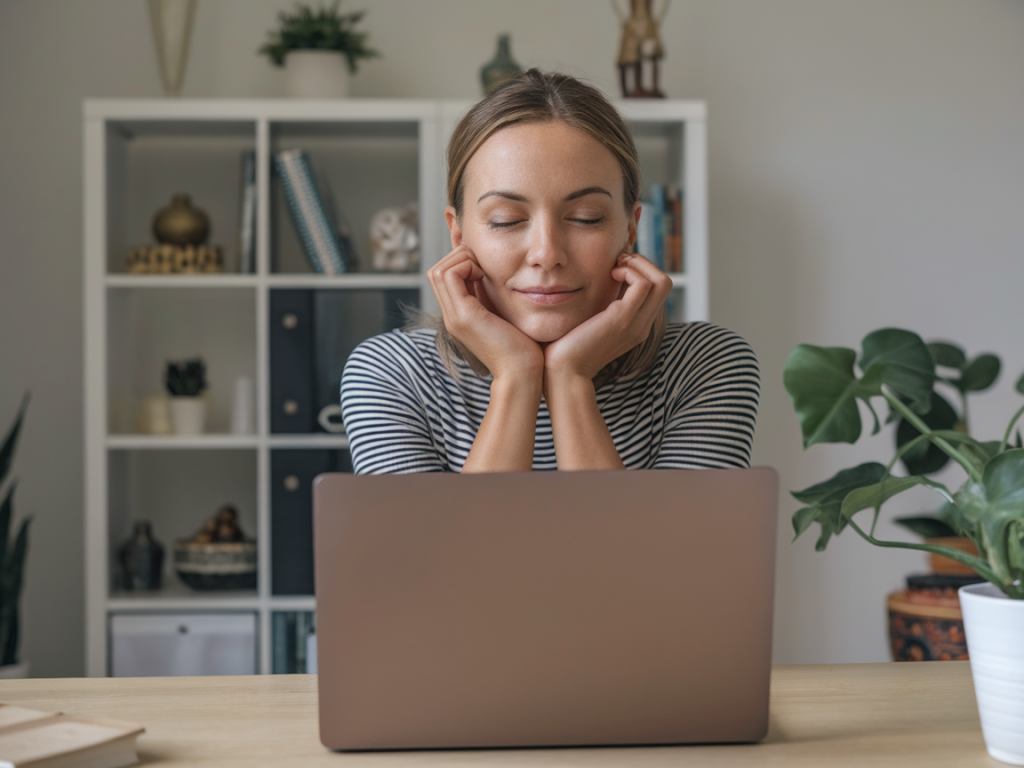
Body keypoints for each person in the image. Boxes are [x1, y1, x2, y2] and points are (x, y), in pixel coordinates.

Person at [341, 69, 759, 474]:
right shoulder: (390, 374)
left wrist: (570, 379)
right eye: (505, 219)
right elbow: (449, 551)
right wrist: (516, 376)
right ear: (458, 233)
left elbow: (670, 551)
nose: (546, 253)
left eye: (586, 217)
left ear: (630, 229)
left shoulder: (705, 365)